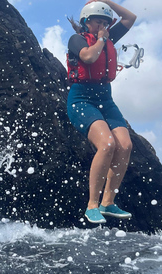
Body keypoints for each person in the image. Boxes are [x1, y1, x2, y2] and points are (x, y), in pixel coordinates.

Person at [66, 1, 137, 224]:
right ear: (87, 22)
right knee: (107, 145)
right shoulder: (77, 39)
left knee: (125, 145)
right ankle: (92, 206)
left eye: (106, 22)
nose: (103, 25)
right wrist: (102, 38)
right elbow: (88, 58)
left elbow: (130, 18)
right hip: (81, 98)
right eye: (98, 21)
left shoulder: (107, 37)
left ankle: (108, 202)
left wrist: (106, 2)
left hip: (105, 98)